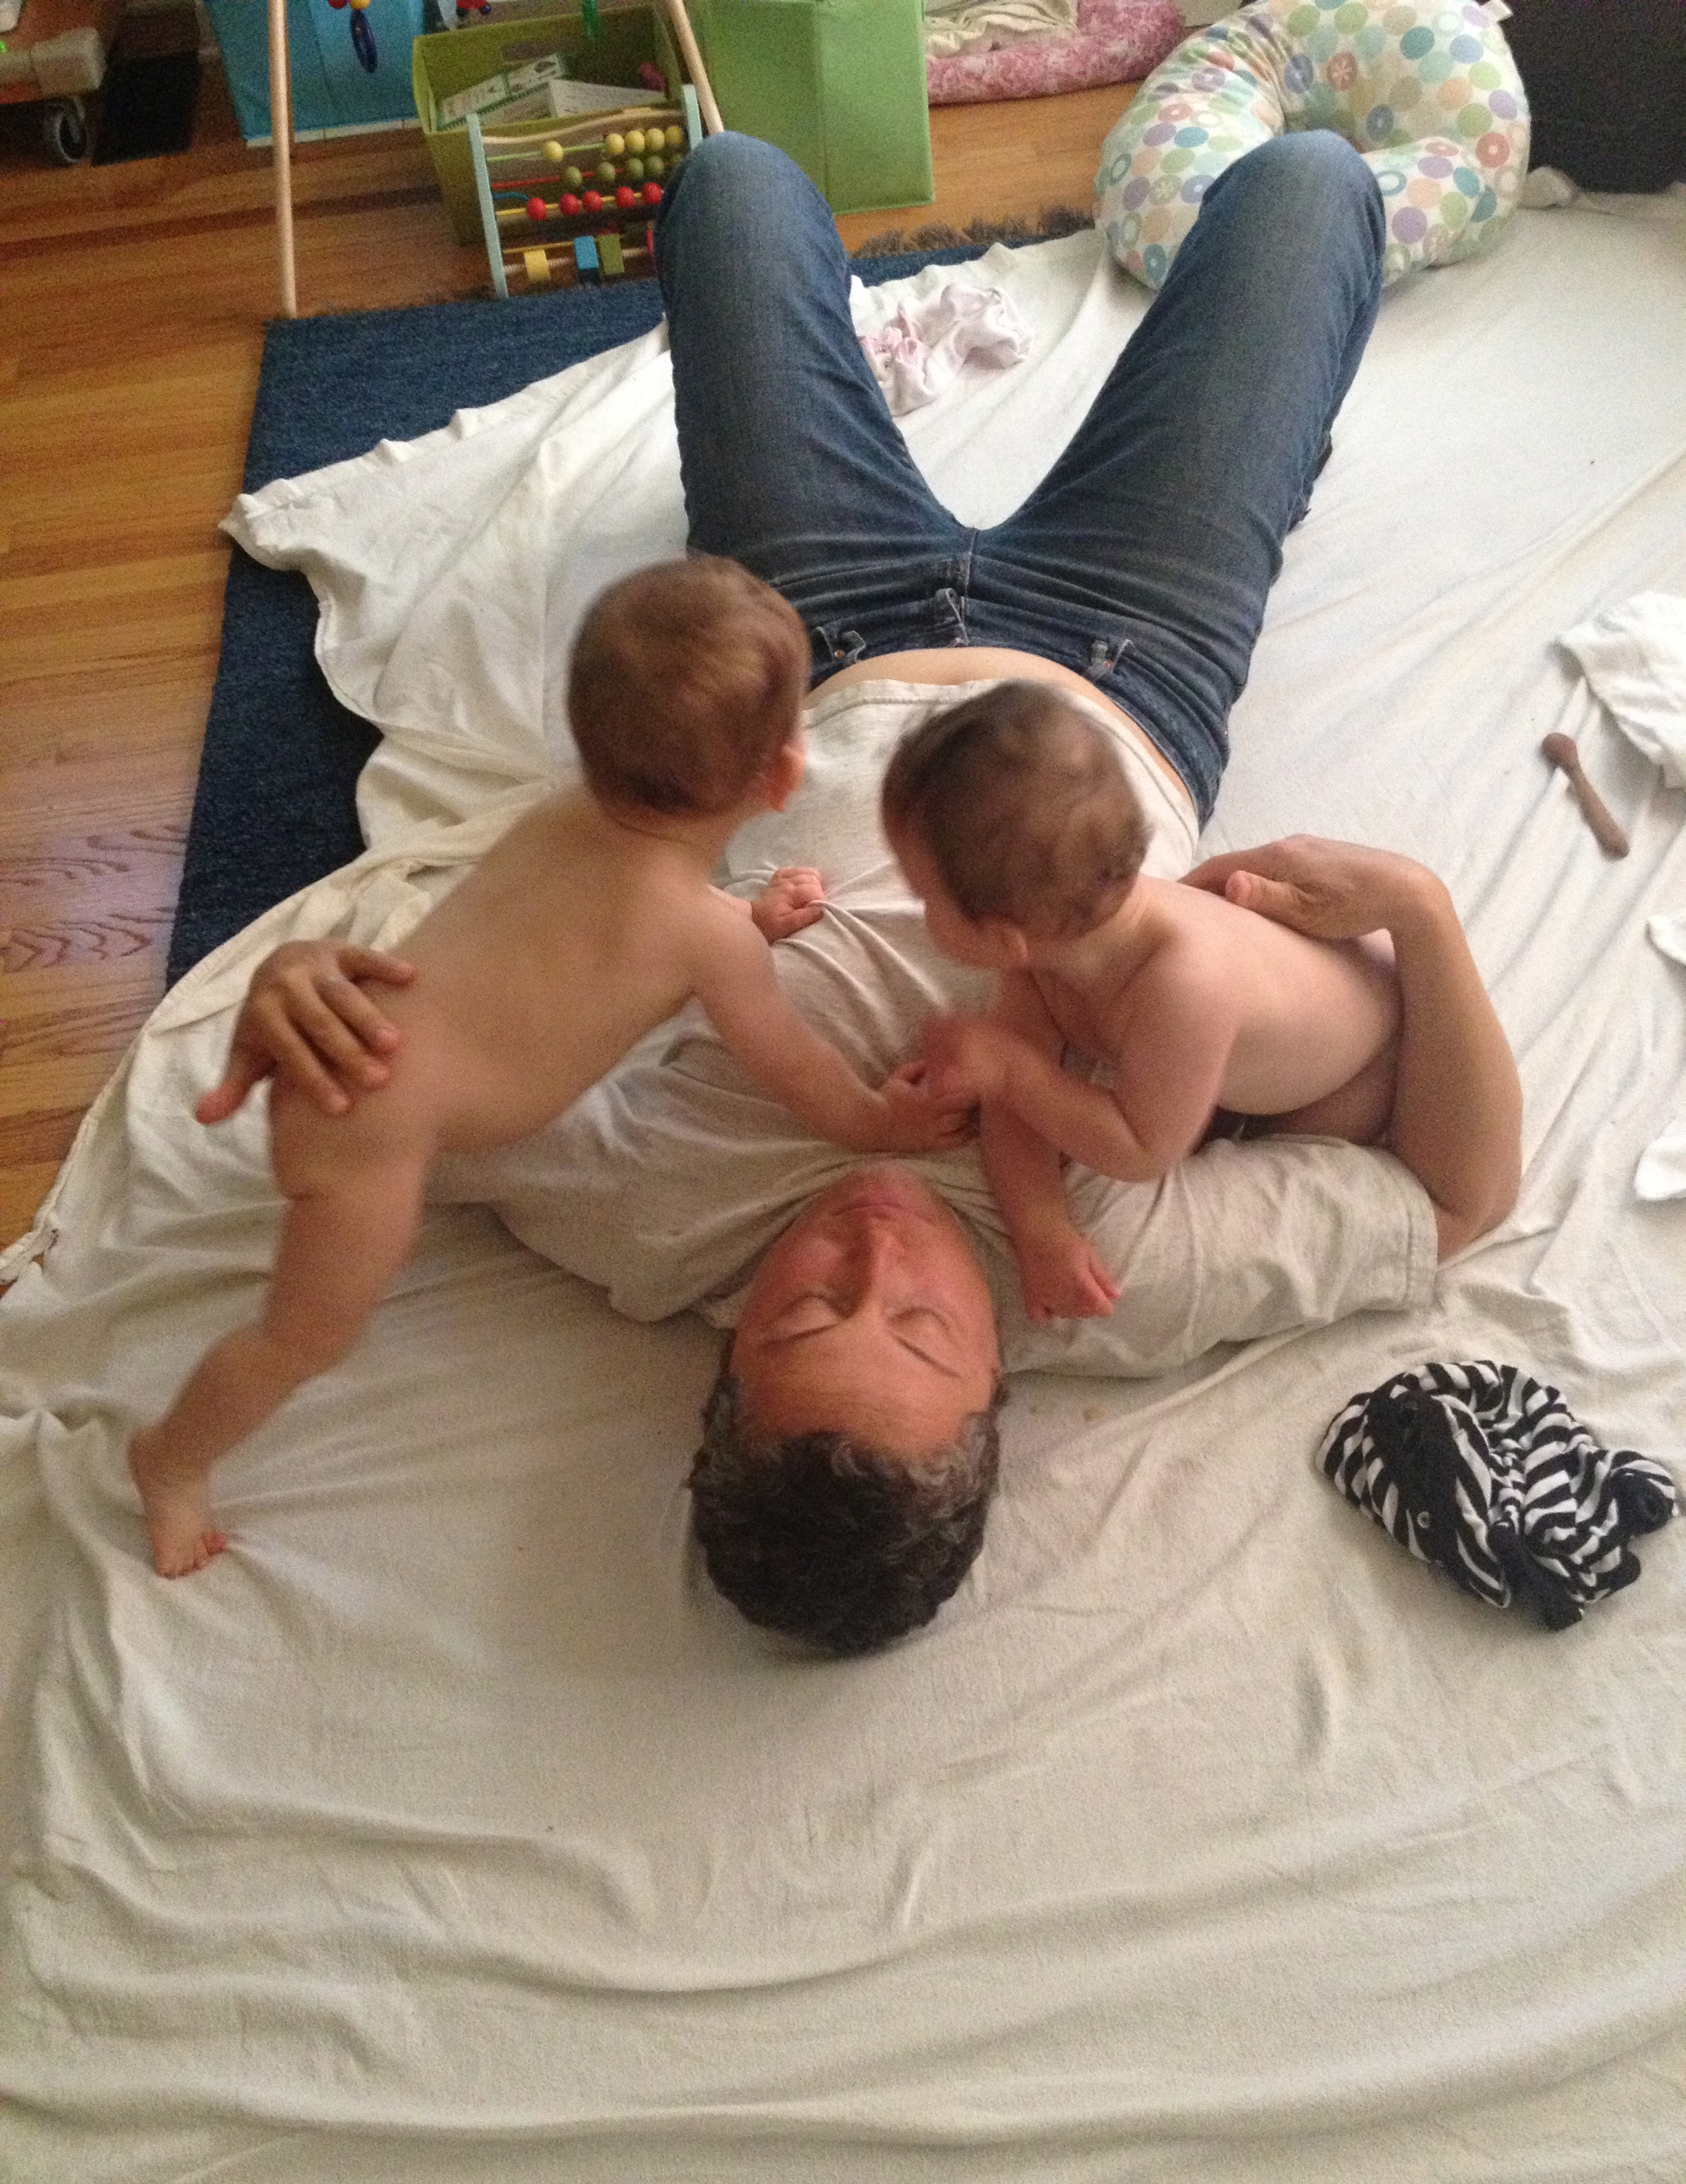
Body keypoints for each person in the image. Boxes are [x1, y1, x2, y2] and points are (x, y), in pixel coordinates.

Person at [185, 131, 1521, 1652]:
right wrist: (1418, 911)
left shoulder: (645, 1218)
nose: (875, 1248)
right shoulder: (1111, 1282)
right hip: (1126, 660)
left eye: (812, 1309)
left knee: (733, 181)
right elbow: (1456, 1200)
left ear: (728, 1358)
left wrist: (305, 999)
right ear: (998, 1382)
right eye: (924, 1324)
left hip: (807, 636)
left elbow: (372, 1120)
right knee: (1311, 186)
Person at [127, 557, 966, 1577]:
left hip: (347, 1049)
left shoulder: (564, 818)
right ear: (783, 776)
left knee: (300, 1328)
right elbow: (797, 1070)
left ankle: (176, 1455)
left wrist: (747, 918)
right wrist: (878, 1123)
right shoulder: (705, 941)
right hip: (375, 1138)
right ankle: (171, 1460)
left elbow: (596, 932)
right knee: (300, 1340)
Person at [882, 680, 1401, 1322]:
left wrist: (1014, 1073)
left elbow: (1141, 1147)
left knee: (1272, 1148)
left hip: (1365, 1059)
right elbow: (1015, 1109)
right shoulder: (1045, 952)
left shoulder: (1182, 986)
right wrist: (1041, 1229)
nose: (917, 911)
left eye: (924, 898)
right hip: (1297, 990)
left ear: (1002, 936)